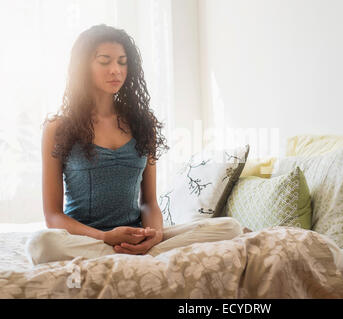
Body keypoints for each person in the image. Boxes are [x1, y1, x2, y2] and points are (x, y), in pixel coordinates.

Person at [25, 24, 242, 266]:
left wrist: (154, 235)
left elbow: (148, 202)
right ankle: (130, 255)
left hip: (136, 234)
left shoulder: (142, 123)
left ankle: (136, 253)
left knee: (230, 227)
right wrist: (105, 237)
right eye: (105, 61)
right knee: (40, 244)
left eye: (122, 62)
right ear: (84, 66)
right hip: (86, 238)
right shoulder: (57, 128)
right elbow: (53, 216)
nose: (116, 70)